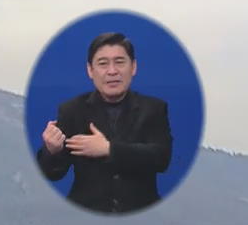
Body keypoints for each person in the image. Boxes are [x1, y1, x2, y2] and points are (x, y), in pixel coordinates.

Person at [36, 32, 172, 214]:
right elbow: (52, 173)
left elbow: (161, 158)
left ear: (133, 67)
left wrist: (109, 149)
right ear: (90, 70)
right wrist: (51, 151)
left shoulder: (154, 109)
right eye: (103, 64)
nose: (112, 71)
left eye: (119, 62)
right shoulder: (72, 110)